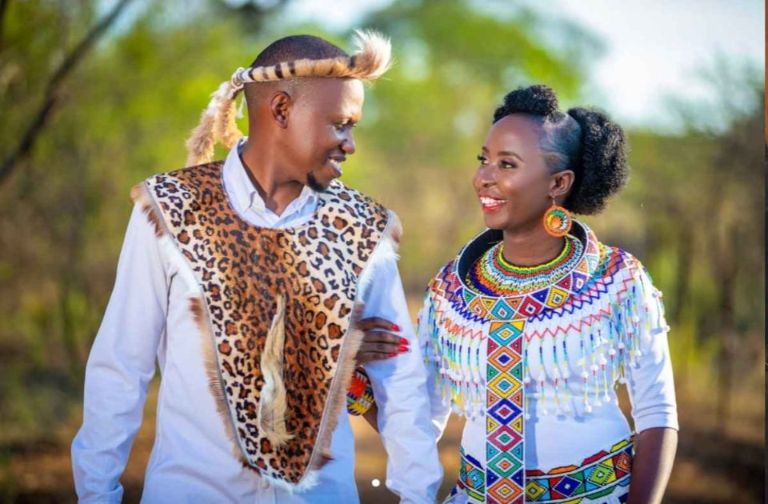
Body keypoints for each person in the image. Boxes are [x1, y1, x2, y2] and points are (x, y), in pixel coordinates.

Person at [71, 31, 442, 503]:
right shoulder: (168, 210)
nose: (350, 144)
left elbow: (401, 384)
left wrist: (418, 495)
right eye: (340, 124)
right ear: (282, 109)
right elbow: (120, 367)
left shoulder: (365, 227)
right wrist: (96, 496)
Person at [419, 85, 678, 503]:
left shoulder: (619, 281)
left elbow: (657, 414)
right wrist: (353, 383)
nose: (484, 176)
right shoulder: (450, 292)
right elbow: (420, 422)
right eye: (484, 160)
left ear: (558, 182)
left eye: (507, 164)